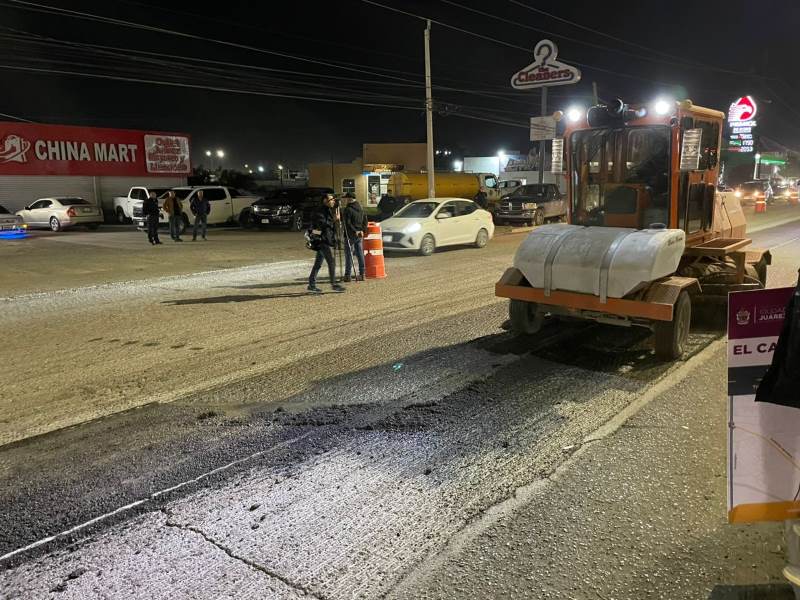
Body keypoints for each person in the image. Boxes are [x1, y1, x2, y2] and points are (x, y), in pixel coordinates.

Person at [308, 194, 345, 293]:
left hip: (326, 240)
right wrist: (334, 219)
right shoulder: (319, 211)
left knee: (318, 264)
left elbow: (331, 225)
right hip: (322, 240)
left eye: (333, 200)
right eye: (331, 200)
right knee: (331, 262)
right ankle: (333, 284)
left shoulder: (328, 210)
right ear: (325, 201)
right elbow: (322, 225)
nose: (333, 201)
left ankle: (311, 284)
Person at [342, 193, 368, 282]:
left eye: (345, 199)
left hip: (350, 234)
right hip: (359, 234)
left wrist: (355, 231)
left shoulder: (348, 209)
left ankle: (347, 275)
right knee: (360, 253)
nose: (345, 200)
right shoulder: (360, 208)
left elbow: (347, 223)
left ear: (349, 199)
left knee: (348, 255)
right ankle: (362, 274)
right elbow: (365, 220)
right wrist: (362, 230)